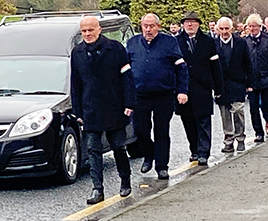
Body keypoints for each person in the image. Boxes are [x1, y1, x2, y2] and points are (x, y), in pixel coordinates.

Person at [71, 16, 135, 204]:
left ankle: (125, 180)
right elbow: (75, 83)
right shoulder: (77, 52)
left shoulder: (115, 48)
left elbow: (127, 78)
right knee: (93, 150)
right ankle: (97, 189)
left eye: (91, 30)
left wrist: (129, 103)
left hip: (115, 106)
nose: (87, 34)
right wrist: (78, 112)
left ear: (99, 29)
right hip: (91, 109)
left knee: (118, 147)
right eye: (84, 31)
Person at [127, 13, 189, 179]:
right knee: (140, 131)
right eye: (145, 26)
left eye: (151, 26)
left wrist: (182, 91)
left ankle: (162, 166)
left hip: (163, 94)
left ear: (158, 27)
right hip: (140, 95)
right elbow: (125, 71)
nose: (148, 29)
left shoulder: (169, 42)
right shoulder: (132, 43)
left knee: (162, 130)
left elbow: (181, 67)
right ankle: (149, 154)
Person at [175, 11, 223, 165]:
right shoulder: (176, 42)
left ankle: (203, 152)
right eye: (187, 22)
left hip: (203, 88)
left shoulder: (208, 41)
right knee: (188, 122)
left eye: (193, 22)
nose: (190, 24)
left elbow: (216, 67)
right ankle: (194, 150)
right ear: (183, 24)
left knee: (203, 122)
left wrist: (219, 89)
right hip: (183, 89)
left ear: (198, 24)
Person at [214, 17, 250, 153]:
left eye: (226, 28)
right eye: (221, 29)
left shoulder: (240, 42)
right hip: (221, 84)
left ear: (231, 29)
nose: (224, 32)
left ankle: (240, 138)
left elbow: (247, 63)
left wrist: (249, 83)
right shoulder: (214, 43)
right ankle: (228, 140)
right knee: (225, 113)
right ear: (218, 29)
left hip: (238, 82)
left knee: (238, 110)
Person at [244, 14, 268, 141]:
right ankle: (258, 133)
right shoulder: (245, 42)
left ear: (260, 27)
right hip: (251, 81)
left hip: (266, 78)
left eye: (254, 26)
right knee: (253, 108)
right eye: (250, 26)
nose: (252, 28)